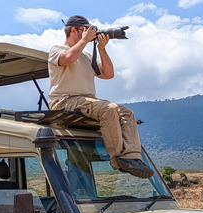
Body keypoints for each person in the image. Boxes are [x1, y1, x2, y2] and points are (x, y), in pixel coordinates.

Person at [48, 15, 154, 179]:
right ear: (74, 30)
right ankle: (117, 159)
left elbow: (108, 74)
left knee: (127, 113)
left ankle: (132, 157)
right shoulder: (57, 49)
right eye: (85, 30)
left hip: (87, 101)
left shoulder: (86, 57)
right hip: (65, 100)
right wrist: (84, 41)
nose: (89, 33)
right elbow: (67, 59)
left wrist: (102, 49)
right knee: (108, 109)